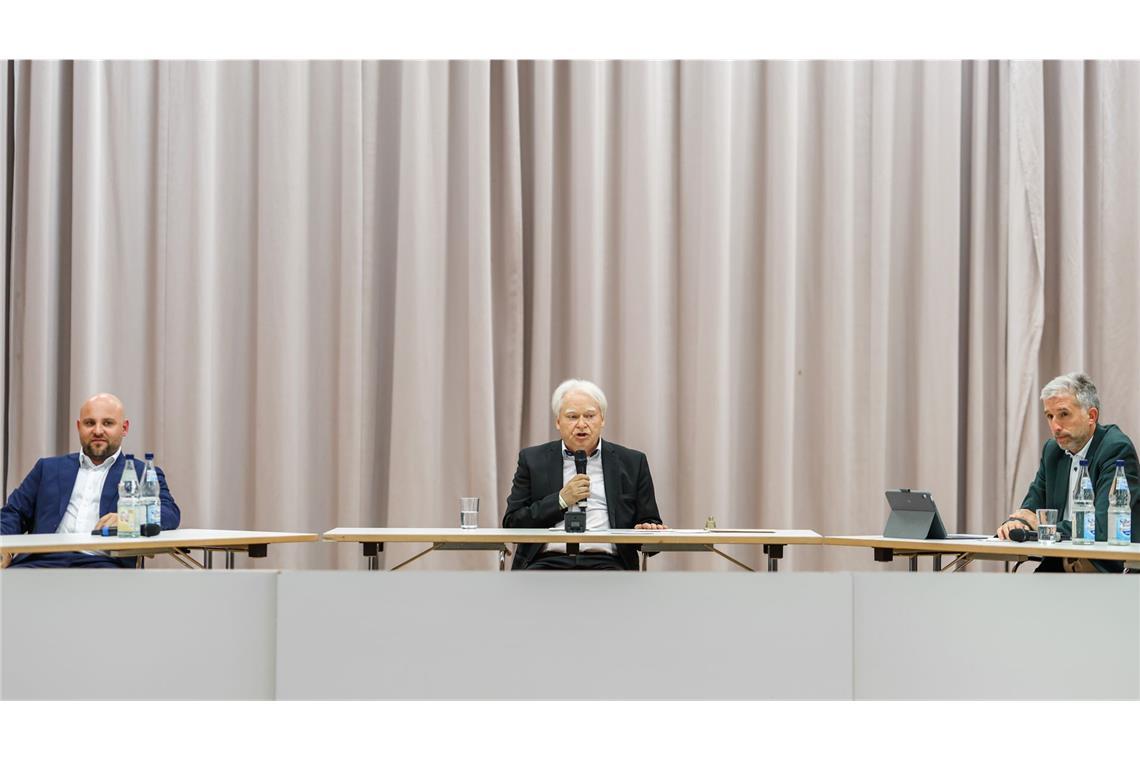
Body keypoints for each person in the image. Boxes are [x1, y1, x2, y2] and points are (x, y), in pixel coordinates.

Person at [1, 392, 181, 568]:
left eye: (108, 423)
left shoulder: (142, 472)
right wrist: (4, 548)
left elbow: (170, 513)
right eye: (89, 423)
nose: (98, 430)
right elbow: (13, 513)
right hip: (39, 562)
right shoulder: (47, 468)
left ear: (124, 428)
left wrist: (131, 518)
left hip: (103, 564)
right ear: (79, 427)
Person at [503, 378, 666, 570]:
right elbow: (512, 524)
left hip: (608, 563)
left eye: (589, 416)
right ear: (558, 421)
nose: (581, 424)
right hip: (546, 561)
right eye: (572, 417)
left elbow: (650, 528)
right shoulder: (532, 460)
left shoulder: (632, 462)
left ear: (602, 419)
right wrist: (561, 500)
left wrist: (647, 529)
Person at [996, 372, 1138, 572]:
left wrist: (1044, 526)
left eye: (1063, 414)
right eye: (1049, 416)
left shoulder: (1115, 449)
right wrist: (1017, 523)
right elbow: (1031, 507)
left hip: (1107, 567)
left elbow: (1103, 527)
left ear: (1091, 416)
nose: (1055, 426)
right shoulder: (1053, 451)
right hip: (1060, 562)